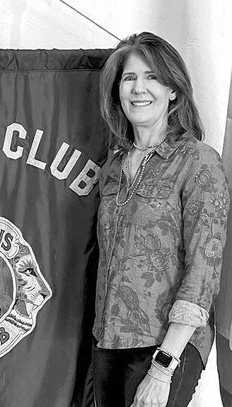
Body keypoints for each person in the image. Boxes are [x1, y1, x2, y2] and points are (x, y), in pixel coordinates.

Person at [93, 31, 229, 407]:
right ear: (117, 91)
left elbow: (203, 272)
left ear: (174, 91)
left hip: (167, 344)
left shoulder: (198, 162)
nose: (139, 88)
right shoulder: (113, 168)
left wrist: (162, 368)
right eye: (129, 78)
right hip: (109, 341)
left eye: (152, 77)